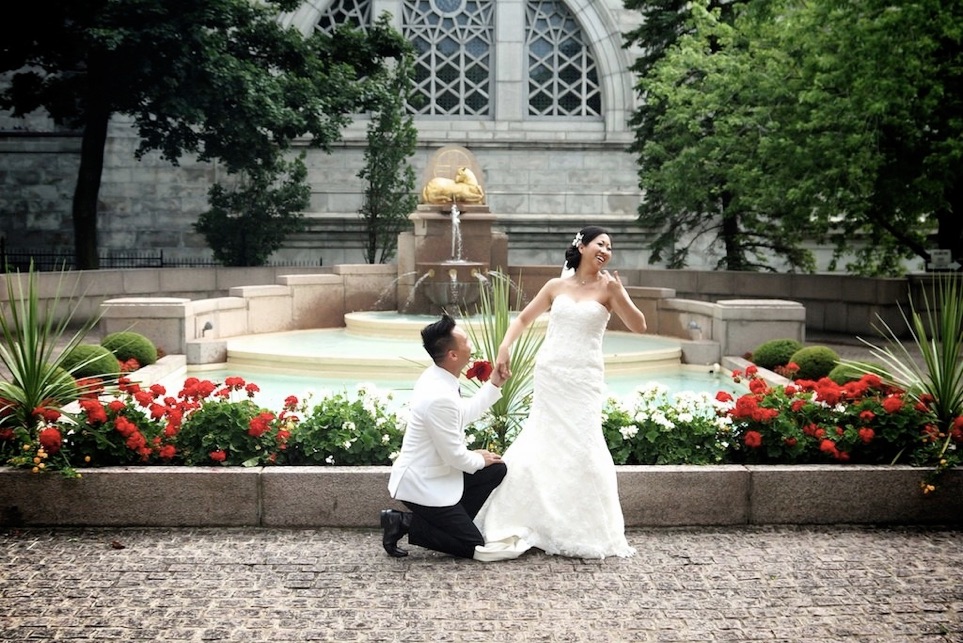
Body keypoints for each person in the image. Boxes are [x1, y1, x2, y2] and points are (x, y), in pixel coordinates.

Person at [473, 226, 646, 559]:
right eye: (600, 243)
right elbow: (523, 319)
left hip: (584, 378)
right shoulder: (555, 286)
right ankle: (530, 516)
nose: (606, 250)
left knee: (582, 446)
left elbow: (639, 325)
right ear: (581, 246)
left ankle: (580, 527)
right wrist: (504, 348)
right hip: (551, 373)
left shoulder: (609, 289)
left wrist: (621, 293)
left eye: (610, 247)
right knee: (542, 441)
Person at [381, 314, 528, 561]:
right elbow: (456, 457)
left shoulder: (439, 376)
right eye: (467, 341)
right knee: (474, 546)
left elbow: (462, 414)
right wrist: (478, 458)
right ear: (453, 355)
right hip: (423, 484)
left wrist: (494, 384)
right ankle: (403, 522)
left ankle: (449, 521)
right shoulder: (438, 394)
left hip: (440, 473)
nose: (471, 345)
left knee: (496, 470)